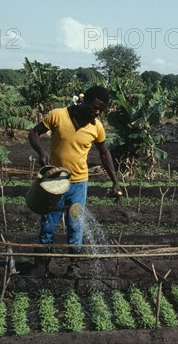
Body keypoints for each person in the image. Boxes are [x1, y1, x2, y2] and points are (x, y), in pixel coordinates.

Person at [28, 85, 121, 278]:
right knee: (48, 224)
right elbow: (34, 133)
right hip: (55, 181)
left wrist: (115, 182)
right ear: (84, 101)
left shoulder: (96, 127)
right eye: (94, 107)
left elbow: (104, 154)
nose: (97, 113)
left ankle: (73, 266)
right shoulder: (58, 115)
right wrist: (41, 151)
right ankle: (42, 265)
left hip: (79, 183)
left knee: (76, 225)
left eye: (101, 110)